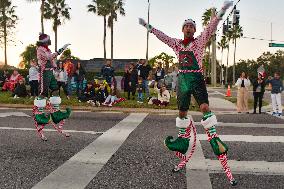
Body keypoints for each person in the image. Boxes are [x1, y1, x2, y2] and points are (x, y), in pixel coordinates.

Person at [139, 1, 237, 186]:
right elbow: (163, 36)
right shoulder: (176, 44)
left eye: (192, 26)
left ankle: (215, 140)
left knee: (205, 107)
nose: (189, 28)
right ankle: (183, 141)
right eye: (186, 26)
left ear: (194, 29)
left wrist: (223, 10)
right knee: (182, 112)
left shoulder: (199, 41)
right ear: (183, 29)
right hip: (183, 79)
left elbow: (212, 25)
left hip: (197, 78)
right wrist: (148, 27)